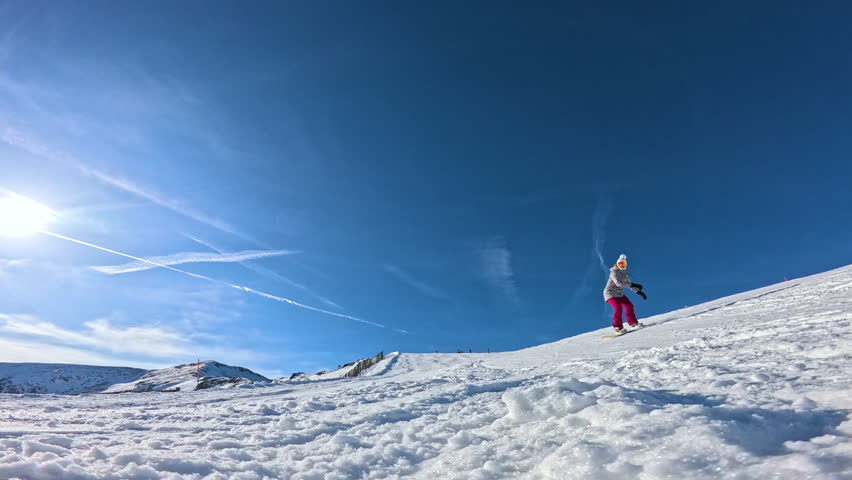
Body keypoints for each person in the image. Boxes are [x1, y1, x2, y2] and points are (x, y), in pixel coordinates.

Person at [603, 254, 647, 333]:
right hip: (610, 293)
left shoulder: (625, 275)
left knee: (629, 306)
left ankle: (633, 323)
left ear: (626, 264)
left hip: (619, 294)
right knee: (618, 308)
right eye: (620, 264)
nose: (621, 265)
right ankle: (618, 327)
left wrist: (639, 292)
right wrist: (634, 284)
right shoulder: (614, 272)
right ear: (617, 264)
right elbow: (619, 283)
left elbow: (629, 285)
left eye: (623, 264)